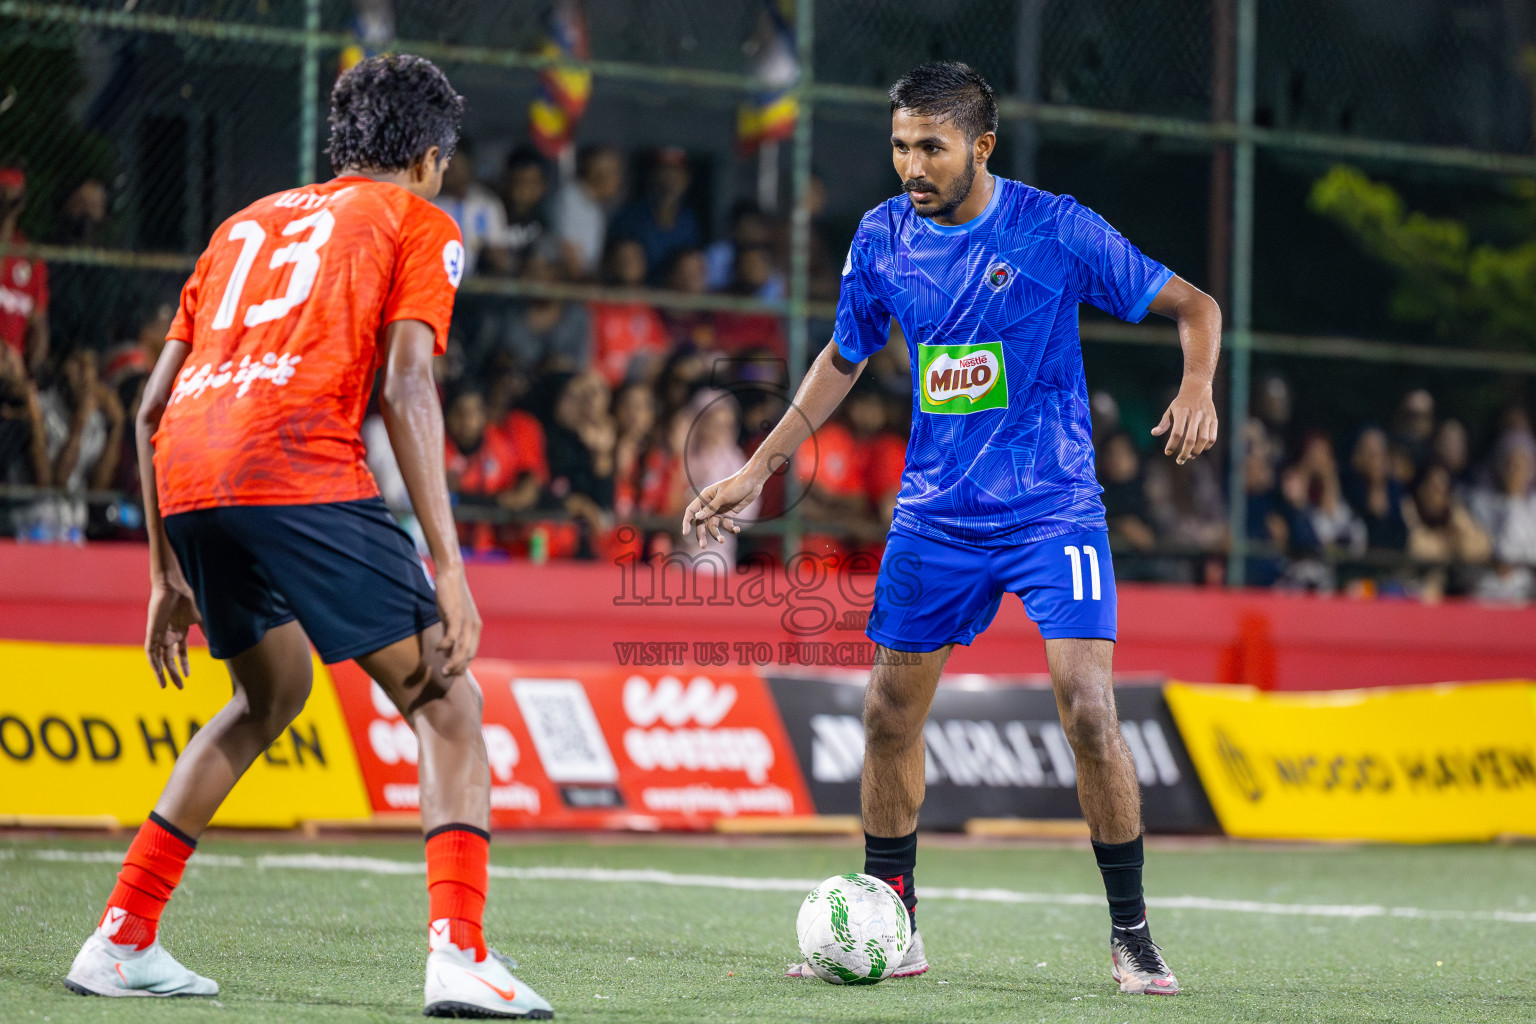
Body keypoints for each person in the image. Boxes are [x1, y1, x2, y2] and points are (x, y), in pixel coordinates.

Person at [685, 62, 1217, 996]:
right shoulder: (883, 237)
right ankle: (896, 919)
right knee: (888, 712)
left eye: (930, 146)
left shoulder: (1055, 227)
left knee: (1090, 714)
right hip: (936, 518)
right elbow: (840, 360)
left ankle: (1131, 935)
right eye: (899, 145)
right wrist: (760, 466)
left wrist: (1197, 387)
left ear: (982, 146)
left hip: (1054, 509)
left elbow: (1196, 308)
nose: (910, 165)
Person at [62, 55, 554, 1018]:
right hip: (297, 465)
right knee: (449, 707)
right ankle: (461, 956)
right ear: (425, 158)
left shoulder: (241, 221)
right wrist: (448, 567)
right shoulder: (420, 222)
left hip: (194, 478)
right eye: (444, 163)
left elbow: (149, 403)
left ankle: (119, 938)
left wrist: (164, 568)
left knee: (268, 693)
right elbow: (410, 383)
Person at [610, 147, 700, 281]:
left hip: (675, 295)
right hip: (637, 295)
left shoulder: (689, 220)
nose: (669, 181)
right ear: (651, 177)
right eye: (663, 173)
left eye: (676, 174)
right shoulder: (630, 218)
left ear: (686, 179)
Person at [431, 141, 512, 276]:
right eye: (445, 164)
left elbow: (498, 252)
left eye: (456, 165)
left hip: (478, 286)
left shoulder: (486, 204)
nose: (449, 170)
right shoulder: (430, 202)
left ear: (469, 166)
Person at [0, 164, 49, 374]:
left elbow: (38, 323)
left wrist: (35, 368)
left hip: (14, 365)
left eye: (15, 197)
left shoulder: (29, 257)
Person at [553, 144, 625, 279]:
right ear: (597, 173)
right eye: (614, 173)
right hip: (564, 284)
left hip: (583, 285)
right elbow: (569, 253)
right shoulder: (571, 197)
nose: (618, 180)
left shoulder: (595, 208)